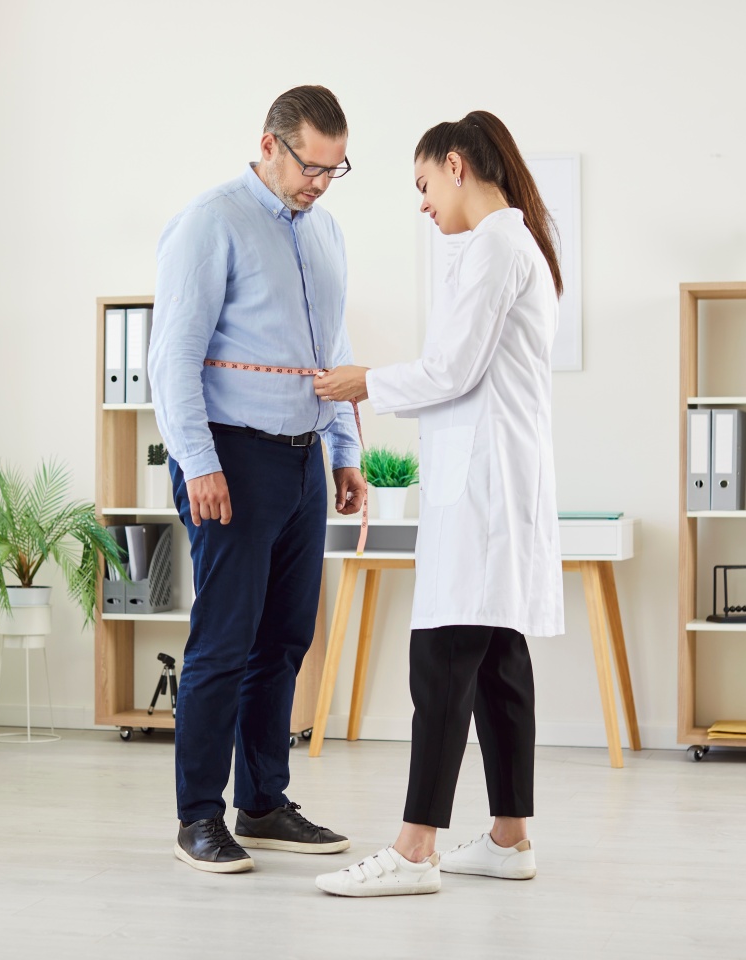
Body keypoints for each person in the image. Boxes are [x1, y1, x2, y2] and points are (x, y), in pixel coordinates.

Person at [312, 110, 565, 897]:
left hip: (483, 488)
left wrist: (365, 382)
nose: (422, 202)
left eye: (424, 183)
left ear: (456, 166)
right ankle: (509, 838)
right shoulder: (512, 245)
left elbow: (453, 368)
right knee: (498, 664)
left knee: (444, 660)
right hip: (493, 482)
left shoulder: (495, 247)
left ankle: (415, 849)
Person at [148, 85, 366, 875]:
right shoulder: (212, 222)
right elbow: (173, 356)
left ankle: (265, 803)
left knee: (284, 640)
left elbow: (331, 348)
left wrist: (343, 450)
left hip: (302, 459)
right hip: (231, 458)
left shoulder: (325, 230)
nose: (320, 184)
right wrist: (199, 461)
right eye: (311, 166)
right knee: (225, 641)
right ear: (270, 145)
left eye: (335, 170)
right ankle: (199, 817)